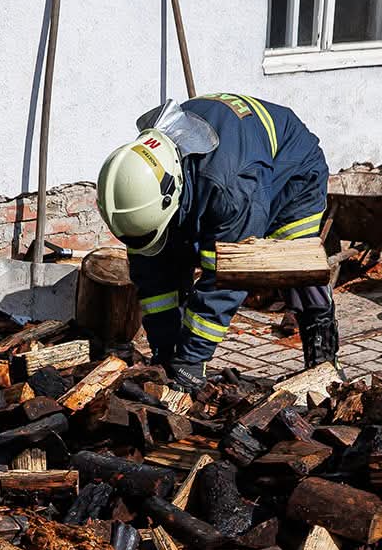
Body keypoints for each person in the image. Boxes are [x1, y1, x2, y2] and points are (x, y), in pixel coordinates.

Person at [96, 93, 334, 387]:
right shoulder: (142, 179)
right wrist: (165, 352)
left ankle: (324, 368)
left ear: (172, 194)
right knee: (170, 251)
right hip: (227, 168)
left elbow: (227, 279)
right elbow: (153, 275)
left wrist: (192, 359)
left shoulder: (232, 190)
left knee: (297, 268)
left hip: (293, 175)